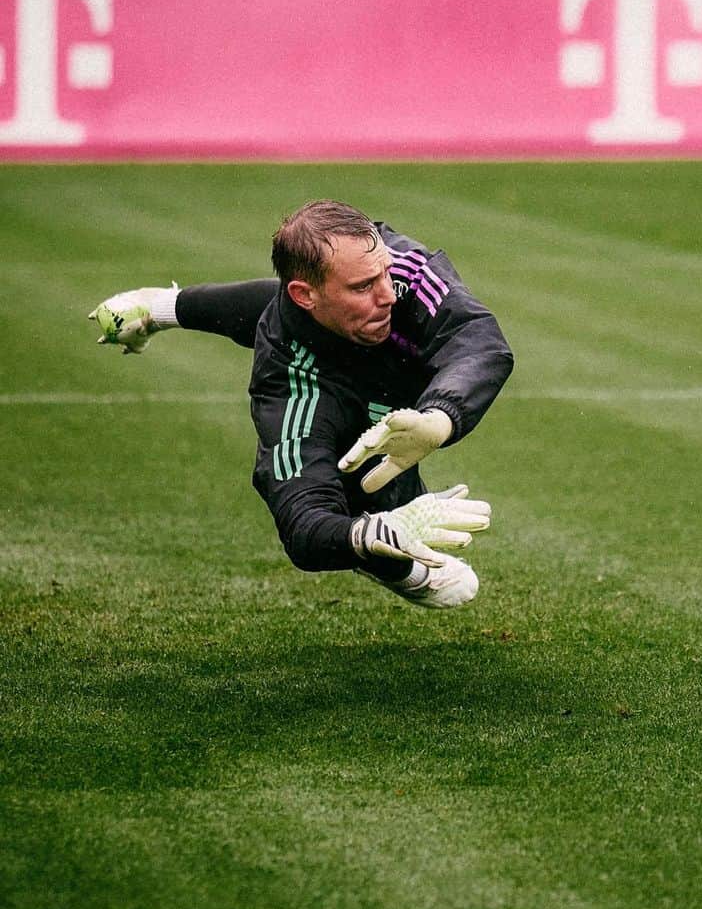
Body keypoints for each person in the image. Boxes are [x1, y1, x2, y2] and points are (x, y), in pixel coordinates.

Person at [88, 200, 514, 611]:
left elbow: (476, 338)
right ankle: (389, 559)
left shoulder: (398, 267)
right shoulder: (287, 384)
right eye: (364, 286)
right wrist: (365, 534)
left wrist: (439, 419)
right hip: (331, 383)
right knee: (374, 503)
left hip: (382, 363)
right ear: (306, 294)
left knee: (294, 310)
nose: (387, 295)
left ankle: (158, 305)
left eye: (383, 273)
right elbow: (303, 520)